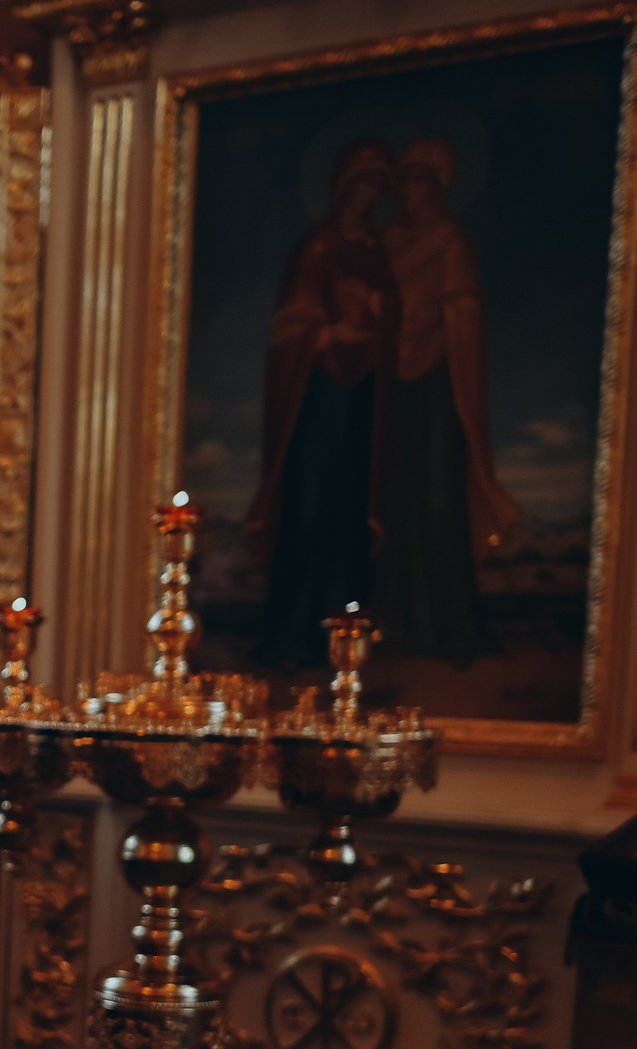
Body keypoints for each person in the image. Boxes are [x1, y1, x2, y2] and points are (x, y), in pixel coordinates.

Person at [246, 140, 400, 669]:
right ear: (343, 187)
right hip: (317, 403)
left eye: (380, 186)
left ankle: (344, 640)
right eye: (364, 183)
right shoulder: (317, 248)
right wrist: (331, 332)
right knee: (308, 510)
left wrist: (378, 319)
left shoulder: (377, 254)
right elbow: (292, 327)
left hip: (360, 403)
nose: (371, 195)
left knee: (347, 516)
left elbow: (389, 324)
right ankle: (291, 633)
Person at [376, 135, 517, 662]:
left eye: (420, 180)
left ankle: (453, 624)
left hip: (436, 377)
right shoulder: (384, 243)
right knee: (396, 503)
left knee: (438, 502)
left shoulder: (450, 242)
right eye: (404, 180)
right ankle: (403, 622)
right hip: (390, 382)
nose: (410, 191)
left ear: (437, 187)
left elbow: (463, 316)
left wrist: (431, 326)